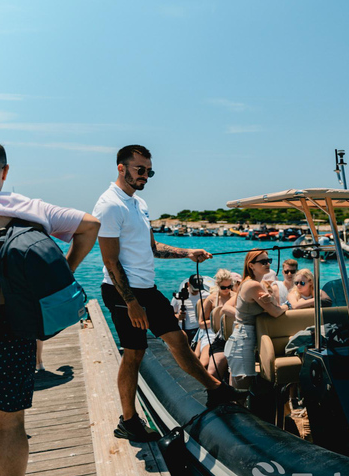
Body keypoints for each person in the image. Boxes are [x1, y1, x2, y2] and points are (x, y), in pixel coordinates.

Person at [0, 138, 99, 476]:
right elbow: (90, 225)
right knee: (7, 427)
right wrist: (64, 273)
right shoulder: (28, 208)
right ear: (5, 171)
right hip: (7, 327)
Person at [93, 144, 243, 443]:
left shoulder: (139, 204)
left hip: (147, 289)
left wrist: (188, 252)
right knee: (134, 355)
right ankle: (129, 421)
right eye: (140, 170)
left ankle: (216, 389)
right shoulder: (109, 205)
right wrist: (132, 303)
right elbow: (110, 261)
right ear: (121, 168)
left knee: (178, 341)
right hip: (124, 293)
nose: (145, 175)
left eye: (149, 171)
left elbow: (152, 248)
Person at [210, 250, 287, 390]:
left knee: (241, 388)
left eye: (269, 260)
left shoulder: (252, 283)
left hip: (245, 337)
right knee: (241, 389)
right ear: (251, 265)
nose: (268, 264)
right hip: (243, 340)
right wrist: (286, 306)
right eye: (263, 262)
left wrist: (271, 302)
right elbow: (275, 313)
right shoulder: (253, 285)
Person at [193, 269, 236, 368]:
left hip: (231, 330)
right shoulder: (211, 299)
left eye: (229, 287)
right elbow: (201, 324)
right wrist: (217, 322)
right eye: (223, 287)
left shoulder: (235, 296)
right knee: (205, 362)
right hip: (212, 331)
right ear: (217, 285)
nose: (227, 290)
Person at [171, 274, 207, 343]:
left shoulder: (206, 295)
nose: (196, 291)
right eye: (194, 289)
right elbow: (168, 316)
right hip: (183, 331)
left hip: (199, 331)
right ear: (188, 284)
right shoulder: (178, 297)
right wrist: (178, 316)